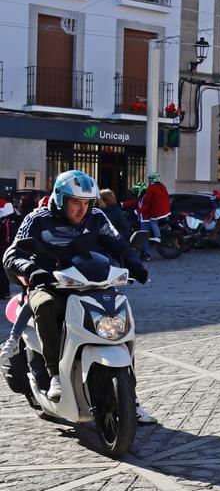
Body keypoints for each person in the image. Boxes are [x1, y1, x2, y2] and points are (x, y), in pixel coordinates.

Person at [2, 171, 150, 410]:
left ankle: (129, 396)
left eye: (87, 203)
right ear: (60, 199)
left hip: (90, 283)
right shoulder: (38, 219)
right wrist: (31, 269)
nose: (82, 210)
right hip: (50, 284)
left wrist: (134, 262)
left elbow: (118, 243)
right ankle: (55, 376)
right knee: (46, 306)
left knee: (119, 313)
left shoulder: (97, 217)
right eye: (75, 203)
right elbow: (13, 253)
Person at [138, 172, 171, 259]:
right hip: (165, 209)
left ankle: (157, 237)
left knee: (153, 222)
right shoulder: (162, 186)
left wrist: (141, 208)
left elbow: (148, 199)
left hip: (158, 210)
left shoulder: (151, 187)